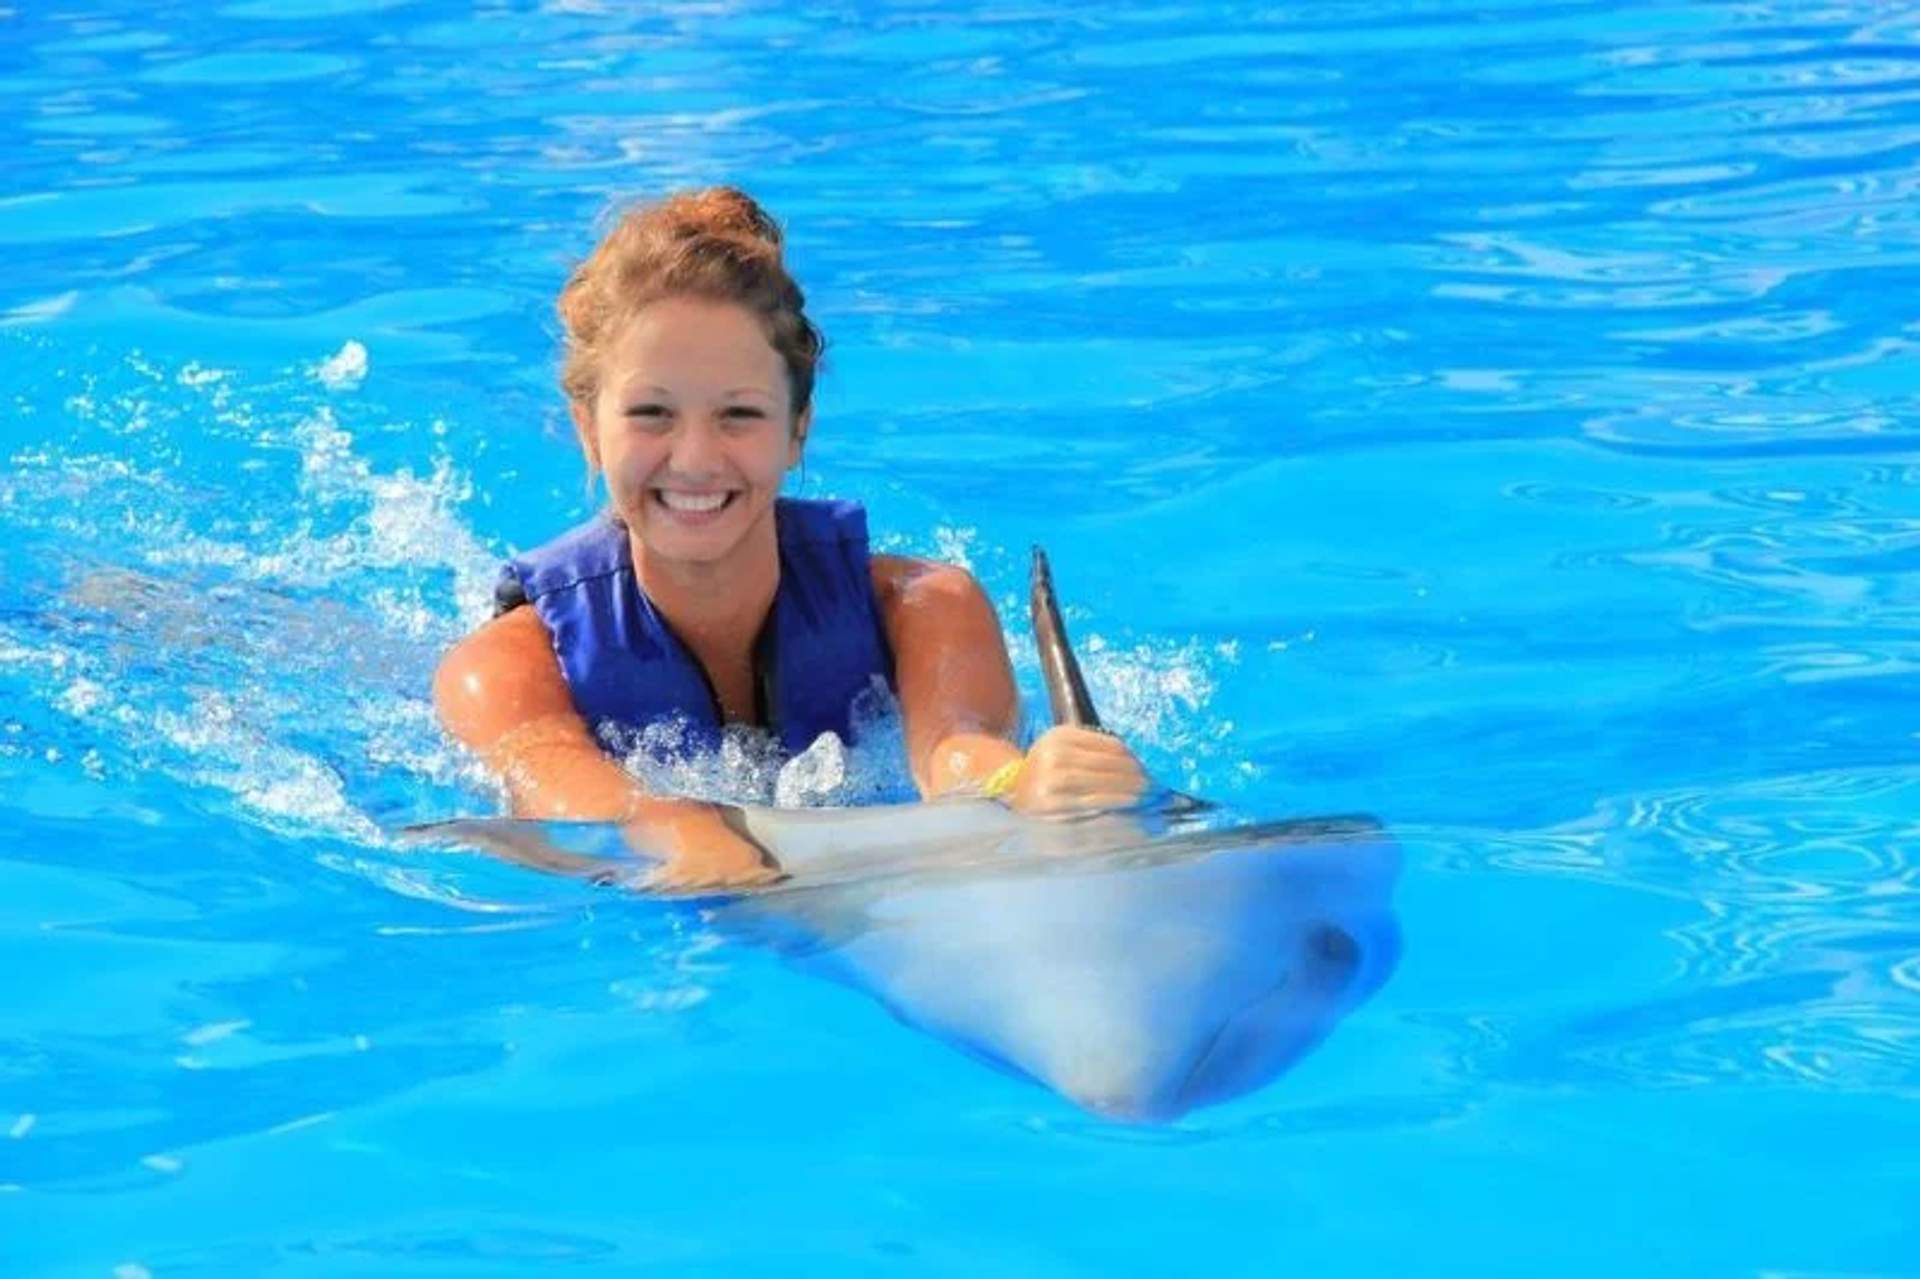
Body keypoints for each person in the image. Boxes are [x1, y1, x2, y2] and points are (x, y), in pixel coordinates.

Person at [434, 188, 1146, 888]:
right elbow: (569, 796)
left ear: (798, 428)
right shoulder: (501, 672)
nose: (696, 459)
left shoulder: (925, 608)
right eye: (652, 412)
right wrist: (677, 827)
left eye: (740, 414)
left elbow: (957, 753)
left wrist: (1026, 782)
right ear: (589, 428)